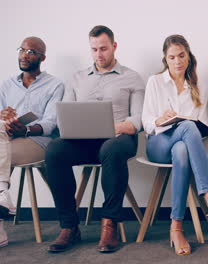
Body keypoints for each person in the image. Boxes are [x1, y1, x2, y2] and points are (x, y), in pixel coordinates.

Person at [45, 25, 145, 253]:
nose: (99, 55)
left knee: (111, 148)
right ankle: (69, 226)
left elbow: (139, 118)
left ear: (114, 47)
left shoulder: (132, 77)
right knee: (54, 150)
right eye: (94, 49)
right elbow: (64, 116)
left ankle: (109, 223)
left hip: (119, 140)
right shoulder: (77, 78)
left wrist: (115, 127)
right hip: (84, 142)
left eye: (103, 49)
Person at [142, 35, 208, 255]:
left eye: (181, 55)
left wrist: (186, 128)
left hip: (183, 147)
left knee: (183, 148)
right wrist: (160, 119)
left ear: (188, 56)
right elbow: (146, 122)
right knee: (188, 127)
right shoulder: (155, 82)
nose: (177, 61)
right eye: (172, 57)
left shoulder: (199, 85)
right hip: (158, 144)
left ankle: (177, 227)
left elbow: (203, 126)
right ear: (166, 59)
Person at [0, 37, 64, 247]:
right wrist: (3, 118)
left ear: (42, 58)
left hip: (38, 142)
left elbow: (51, 123)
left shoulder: (55, 85)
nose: (25, 55)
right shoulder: (6, 85)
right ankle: (1, 195)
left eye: (31, 52)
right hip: (6, 138)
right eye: (22, 49)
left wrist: (25, 129)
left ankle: (2, 194)